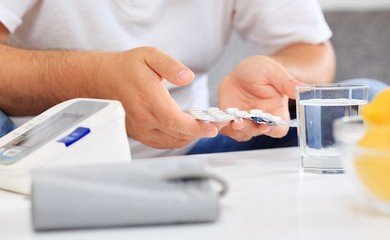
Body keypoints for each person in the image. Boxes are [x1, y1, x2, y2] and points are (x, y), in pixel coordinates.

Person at [0, 0, 337, 158]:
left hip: (196, 149)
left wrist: (277, 77)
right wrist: (88, 80)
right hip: (34, 150)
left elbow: (313, 52)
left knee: (361, 107)